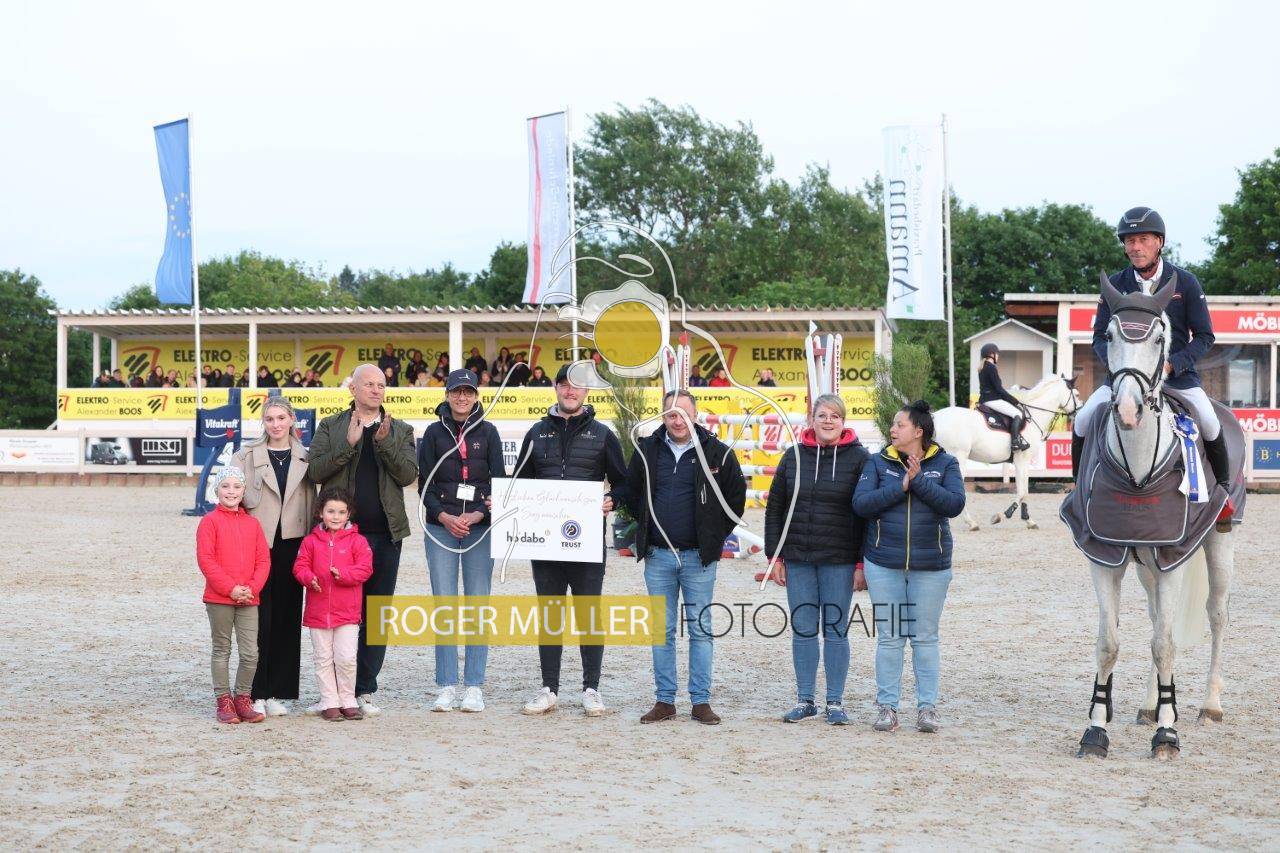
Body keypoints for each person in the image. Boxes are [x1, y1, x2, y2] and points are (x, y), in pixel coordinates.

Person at [1072, 206, 1234, 523]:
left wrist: (1172, 366)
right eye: (1129, 241)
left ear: (1159, 242)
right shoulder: (1115, 285)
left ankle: (1223, 497)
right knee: (1083, 419)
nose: (1135, 247)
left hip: (1176, 377)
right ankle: (1079, 491)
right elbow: (1099, 337)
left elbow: (1205, 336)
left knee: (1209, 421)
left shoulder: (1186, 283)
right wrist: (1118, 370)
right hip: (1124, 380)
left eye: (1143, 239)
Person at [515, 364, 629, 718]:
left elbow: (624, 483)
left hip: (587, 542)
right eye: (564, 384)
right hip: (545, 543)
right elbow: (519, 483)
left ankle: (591, 689)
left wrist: (613, 499)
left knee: (588, 614)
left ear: (586, 392)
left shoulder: (603, 435)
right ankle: (549, 689)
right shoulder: (536, 433)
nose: (570, 391)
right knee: (550, 615)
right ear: (555, 388)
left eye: (577, 386)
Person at [624, 390, 745, 725]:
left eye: (683, 414)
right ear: (662, 416)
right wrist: (647, 523)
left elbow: (736, 500)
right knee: (661, 631)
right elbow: (632, 492)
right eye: (671, 414)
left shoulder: (718, 452)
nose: (677, 421)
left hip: (698, 558)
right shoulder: (647, 450)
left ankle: (700, 701)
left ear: (695, 416)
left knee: (700, 629)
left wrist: (712, 534)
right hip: (658, 557)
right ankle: (665, 700)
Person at [307, 364, 417, 716]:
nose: (375, 390)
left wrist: (383, 445)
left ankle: (363, 689)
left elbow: (408, 475)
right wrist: (348, 445)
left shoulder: (400, 429)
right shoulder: (331, 426)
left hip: (386, 535)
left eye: (381, 385)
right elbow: (315, 470)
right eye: (368, 384)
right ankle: (334, 693)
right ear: (352, 388)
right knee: (339, 614)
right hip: (338, 537)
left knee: (376, 613)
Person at [853, 401, 965, 734]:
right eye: (893, 424)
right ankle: (887, 707)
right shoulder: (877, 462)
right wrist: (900, 485)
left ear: (918, 431)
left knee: (925, 638)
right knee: (889, 638)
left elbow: (955, 504)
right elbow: (861, 504)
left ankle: (927, 708)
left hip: (931, 565)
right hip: (883, 564)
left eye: (899, 425)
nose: (892, 429)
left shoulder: (946, 463)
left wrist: (919, 482)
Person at [765, 394, 869, 725]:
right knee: (803, 629)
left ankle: (835, 702)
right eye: (822, 415)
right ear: (812, 419)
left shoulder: (860, 459)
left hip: (839, 559)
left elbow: (867, 516)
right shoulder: (793, 456)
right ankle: (805, 699)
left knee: (836, 630)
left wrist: (861, 563)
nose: (828, 421)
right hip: (799, 558)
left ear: (843, 421)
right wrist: (774, 556)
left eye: (834, 416)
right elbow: (775, 507)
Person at [417, 369, 506, 713]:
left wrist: (479, 515)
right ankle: (446, 685)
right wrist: (444, 516)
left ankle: (474, 686)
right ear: (447, 395)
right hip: (442, 527)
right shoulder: (433, 432)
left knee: (477, 604)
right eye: (456, 391)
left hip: (479, 529)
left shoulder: (489, 431)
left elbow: (498, 482)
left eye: (468, 392)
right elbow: (425, 484)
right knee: (445, 604)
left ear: (476, 396)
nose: (462, 397)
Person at [232, 397, 316, 718]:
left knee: (287, 617)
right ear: (263, 422)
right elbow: (233, 498)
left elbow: (313, 500)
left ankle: (280, 691)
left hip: (294, 544)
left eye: (282, 418)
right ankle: (256, 691)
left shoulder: (306, 457)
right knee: (258, 619)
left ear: (292, 419)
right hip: (257, 545)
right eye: (270, 419)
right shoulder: (245, 456)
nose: (276, 424)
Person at [196, 466, 272, 724]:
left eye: (237, 486)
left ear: (243, 491)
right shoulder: (209, 522)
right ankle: (224, 700)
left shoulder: (253, 524)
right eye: (225, 486)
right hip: (219, 598)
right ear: (217, 489)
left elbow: (263, 560)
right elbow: (206, 560)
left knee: (251, 653)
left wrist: (252, 588)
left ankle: (243, 698)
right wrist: (230, 589)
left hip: (249, 598)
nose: (231, 491)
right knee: (222, 649)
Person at [293, 487, 374, 721]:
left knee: (346, 657)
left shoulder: (358, 541)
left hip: (347, 613)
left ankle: (348, 700)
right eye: (330, 511)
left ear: (349, 514)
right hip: (318, 612)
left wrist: (344, 575)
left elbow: (365, 569)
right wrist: (309, 578)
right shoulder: (310, 542)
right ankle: (329, 701)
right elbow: (299, 566)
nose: (335, 517)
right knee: (323, 658)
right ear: (320, 512)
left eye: (341, 512)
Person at [977, 343, 1028, 453]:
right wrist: (1014, 401)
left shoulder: (982, 367)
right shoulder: (991, 367)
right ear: (992, 354)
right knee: (1017, 414)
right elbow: (999, 389)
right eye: (997, 354)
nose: (998, 356)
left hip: (985, 399)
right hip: (992, 400)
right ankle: (1015, 442)